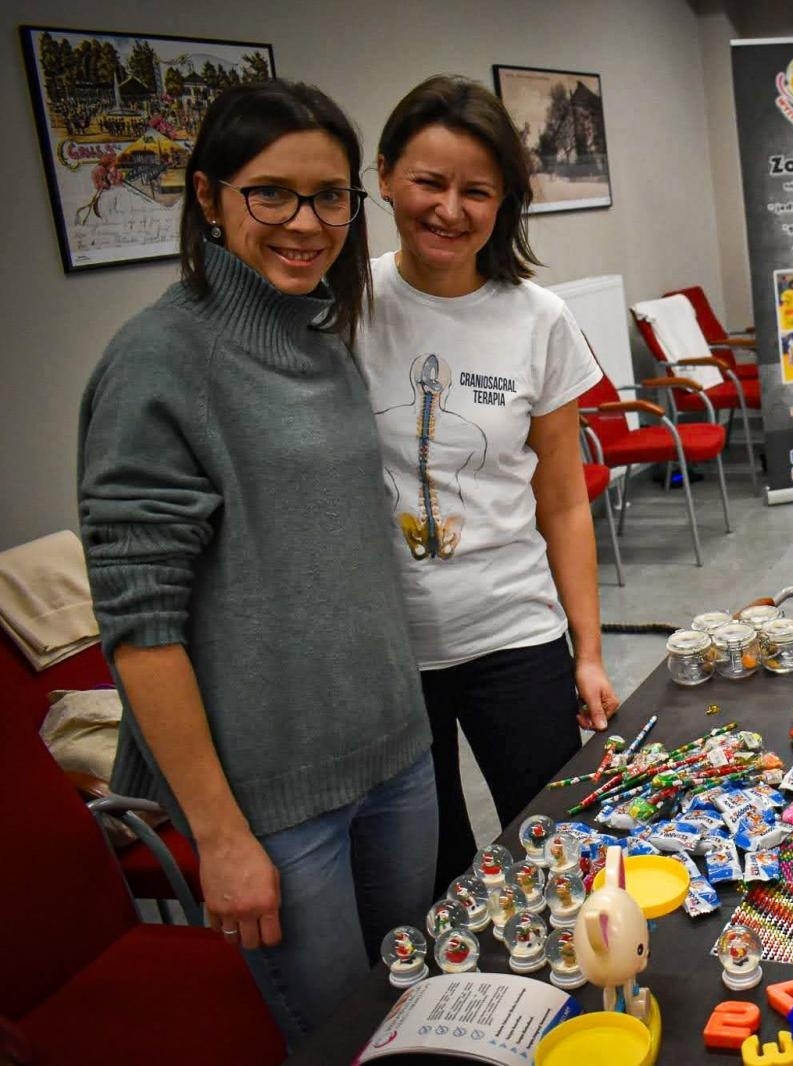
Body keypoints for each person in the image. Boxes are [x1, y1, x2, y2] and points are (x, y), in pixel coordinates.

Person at [78, 80, 436, 1047]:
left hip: (394, 759)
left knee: (408, 1014)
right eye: (270, 193)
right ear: (208, 197)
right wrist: (221, 837)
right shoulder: (160, 360)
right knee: (335, 1036)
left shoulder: (318, 332)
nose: (305, 223)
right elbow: (140, 627)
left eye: (329, 197)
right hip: (276, 804)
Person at [355, 76, 618, 895]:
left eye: (477, 191)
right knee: (431, 872)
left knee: (556, 848)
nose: (450, 209)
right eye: (430, 183)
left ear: (505, 200)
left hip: (514, 631)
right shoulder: (344, 304)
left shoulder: (538, 318)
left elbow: (565, 500)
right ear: (386, 173)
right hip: (387, 652)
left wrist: (589, 651)